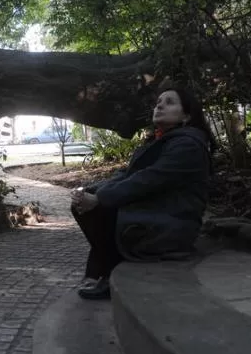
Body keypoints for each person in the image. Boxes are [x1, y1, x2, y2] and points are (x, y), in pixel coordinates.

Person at [70, 85, 214, 300]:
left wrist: (100, 198)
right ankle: (102, 269)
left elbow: (148, 179)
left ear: (186, 115)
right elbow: (128, 173)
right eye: (158, 102)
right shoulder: (162, 141)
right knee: (85, 203)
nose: (160, 105)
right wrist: (92, 191)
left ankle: (107, 271)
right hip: (157, 210)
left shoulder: (188, 145)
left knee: (100, 210)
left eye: (169, 102)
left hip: (172, 222)